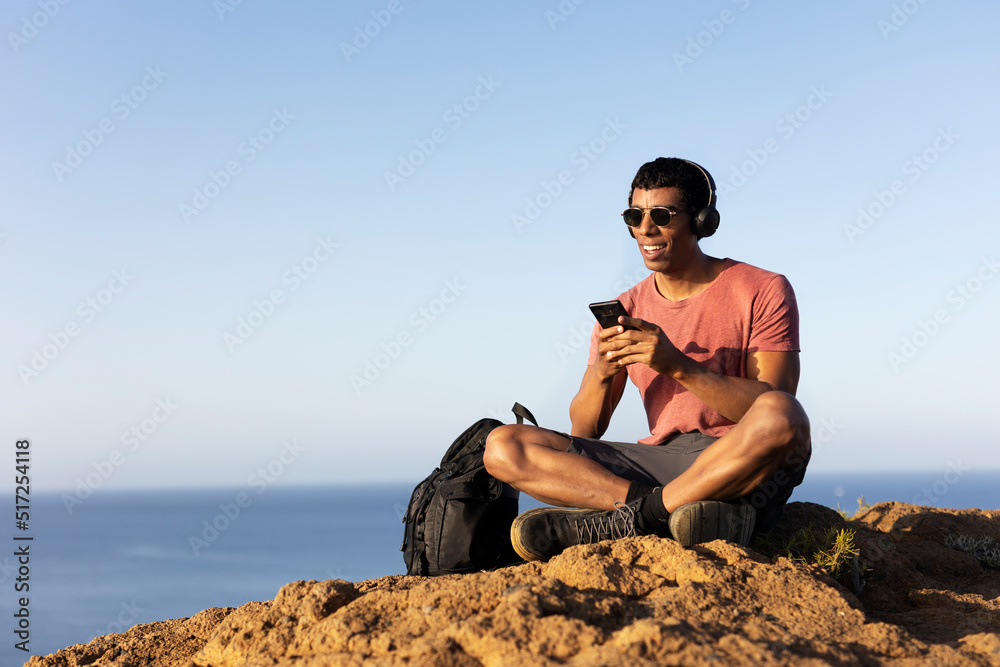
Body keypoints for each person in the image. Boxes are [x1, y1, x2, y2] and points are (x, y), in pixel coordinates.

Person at [483, 157, 811, 561]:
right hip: (662, 465)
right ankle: (667, 513)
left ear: (702, 221)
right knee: (503, 446)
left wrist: (678, 365)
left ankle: (631, 518)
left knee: (784, 415)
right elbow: (585, 429)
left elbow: (770, 406)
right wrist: (603, 373)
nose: (644, 229)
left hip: (735, 459)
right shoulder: (627, 307)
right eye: (634, 216)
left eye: (661, 215)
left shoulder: (762, 288)